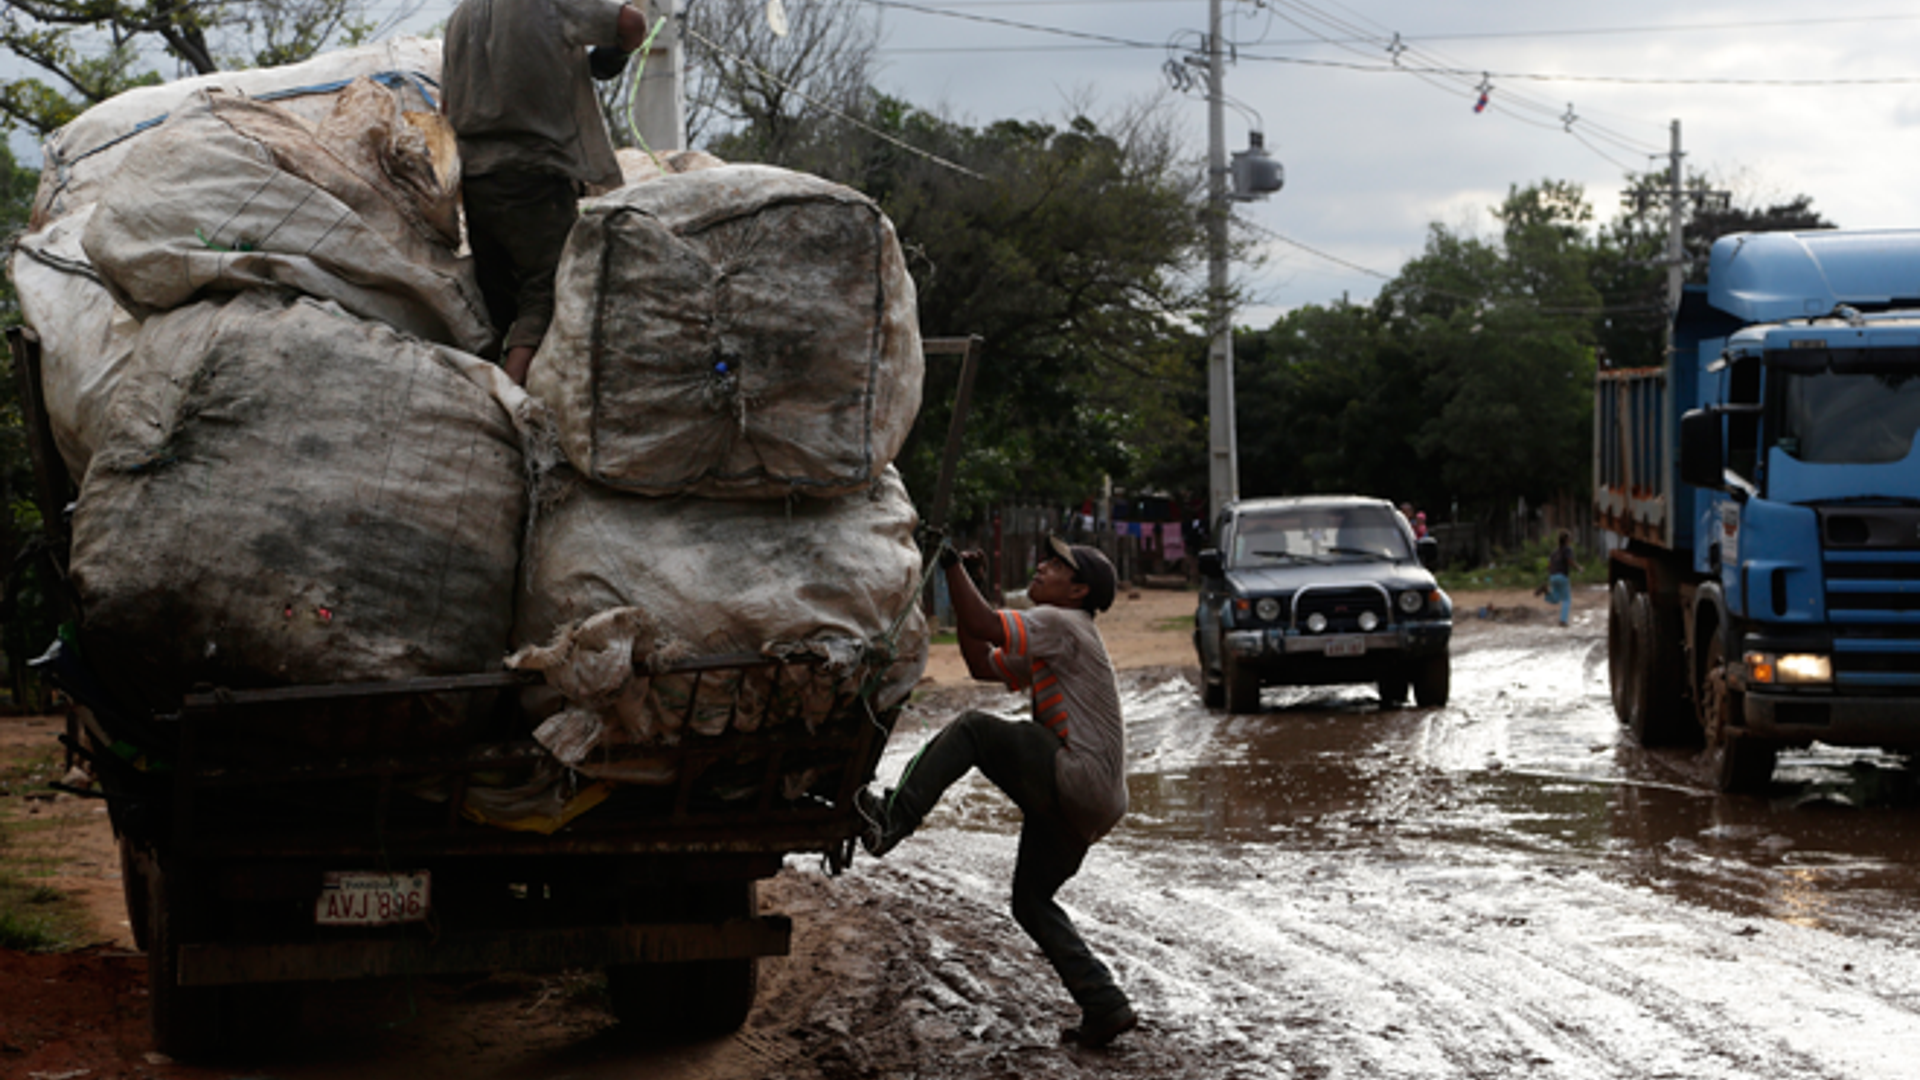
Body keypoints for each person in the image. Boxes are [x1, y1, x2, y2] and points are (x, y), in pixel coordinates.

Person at [857, 535, 1137, 1048]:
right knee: (1031, 901)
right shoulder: (1054, 637)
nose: (1042, 566)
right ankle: (1104, 1002)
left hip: (1078, 777)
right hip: (1096, 802)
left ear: (1078, 590)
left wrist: (952, 570)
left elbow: (986, 623)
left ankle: (891, 820)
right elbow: (982, 661)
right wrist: (969, 584)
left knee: (974, 730)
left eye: (1056, 564)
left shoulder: (1064, 623)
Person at [442, 0, 648, 384]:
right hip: (536, 172)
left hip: (476, 177)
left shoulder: (461, 16)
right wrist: (612, 55)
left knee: (496, 304)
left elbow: (447, 105)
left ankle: (476, 392)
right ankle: (510, 400)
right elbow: (632, 23)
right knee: (549, 291)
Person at [1545, 530, 1578, 627]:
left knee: (1555, 599)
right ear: (1567, 540)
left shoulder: (1554, 552)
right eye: (1570, 539)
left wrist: (1551, 573)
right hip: (1562, 576)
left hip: (1552, 576)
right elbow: (1569, 561)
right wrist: (1579, 568)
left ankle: (1546, 592)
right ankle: (1563, 620)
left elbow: (1548, 565)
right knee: (1566, 599)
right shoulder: (1567, 549)